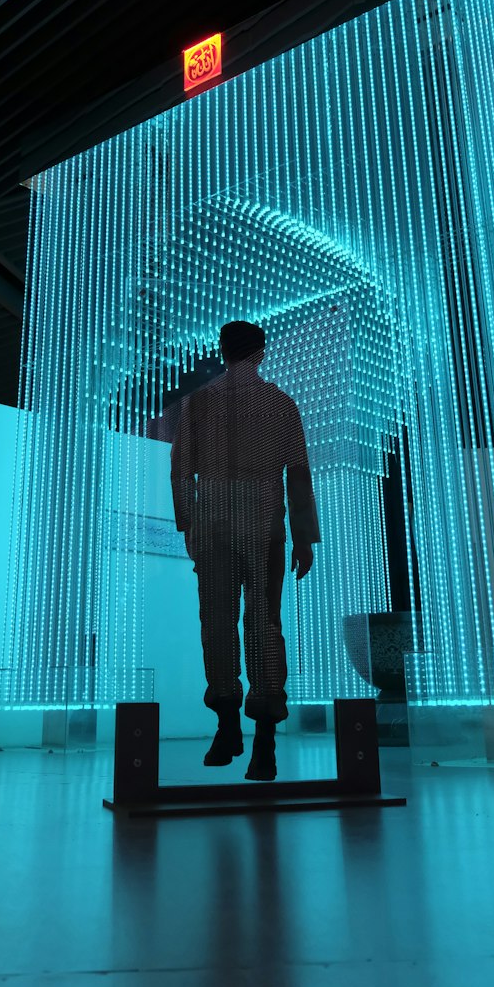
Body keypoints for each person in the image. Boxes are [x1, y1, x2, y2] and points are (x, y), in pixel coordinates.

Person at [171, 321, 319, 781]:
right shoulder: (279, 404)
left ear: (225, 351)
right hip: (260, 527)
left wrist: (188, 525)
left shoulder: (203, 401)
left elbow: (181, 472)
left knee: (219, 623)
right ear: (261, 353)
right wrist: (303, 536)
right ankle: (261, 741)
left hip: (221, 526)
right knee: (261, 624)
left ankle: (231, 726)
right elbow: (296, 473)